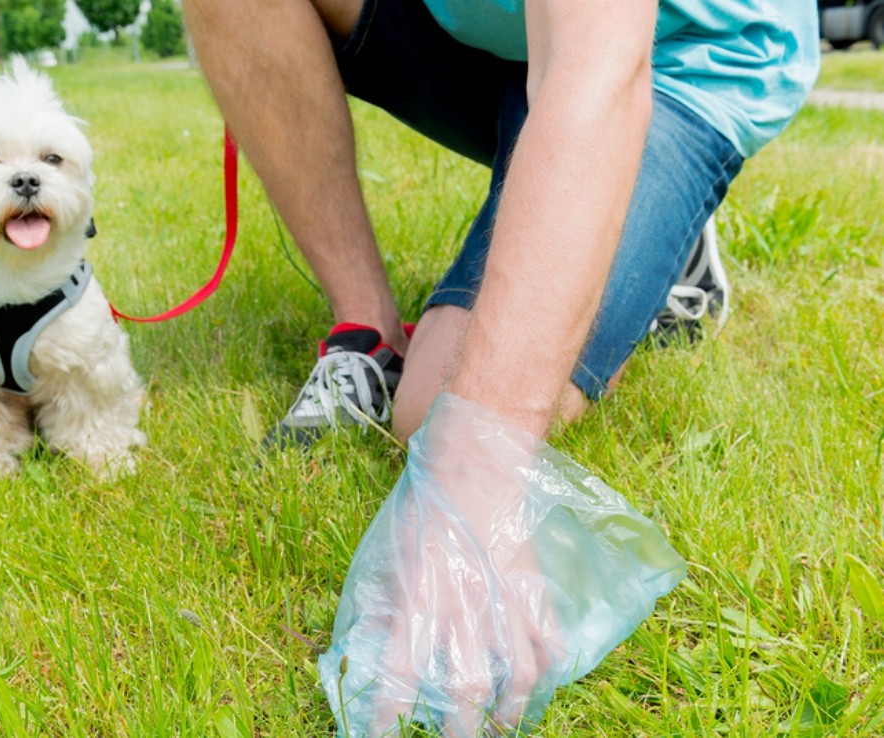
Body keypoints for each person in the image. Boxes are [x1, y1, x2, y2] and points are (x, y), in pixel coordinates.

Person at [182, 0, 818, 732]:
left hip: (672, 56)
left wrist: (471, 480)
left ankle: (653, 223)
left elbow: (594, 62)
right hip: (486, 39)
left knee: (435, 408)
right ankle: (367, 329)